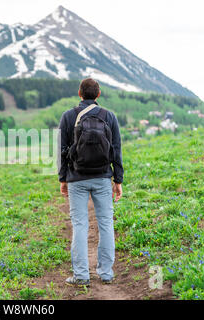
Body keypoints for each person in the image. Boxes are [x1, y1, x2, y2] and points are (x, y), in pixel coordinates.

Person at [58, 78, 124, 287]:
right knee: (105, 224)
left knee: (79, 225)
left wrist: (62, 178)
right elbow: (116, 149)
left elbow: (61, 151)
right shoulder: (109, 116)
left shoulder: (68, 116)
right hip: (103, 177)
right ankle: (106, 273)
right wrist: (118, 179)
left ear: (79, 93)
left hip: (76, 178)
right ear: (98, 94)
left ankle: (81, 275)